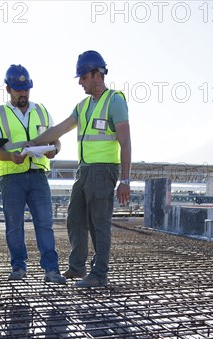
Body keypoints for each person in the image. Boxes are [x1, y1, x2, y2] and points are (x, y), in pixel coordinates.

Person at [28, 50, 131, 288]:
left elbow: (125, 141)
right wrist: (35, 142)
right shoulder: (83, 106)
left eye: (83, 77)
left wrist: (125, 180)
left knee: (99, 223)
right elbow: (61, 128)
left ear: (97, 74)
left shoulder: (114, 100)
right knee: (74, 219)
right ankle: (77, 267)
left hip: (104, 171)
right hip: (84, 171)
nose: (80, 82)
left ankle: (99, 274)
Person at [0, 64, 66, 284]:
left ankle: (52, 270)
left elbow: (56, 139)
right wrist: (12, 157)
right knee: (14, 225)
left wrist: (55, 150)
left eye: (26, 89)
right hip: (12, 178)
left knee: (45, 225)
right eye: (18, 89)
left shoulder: (41, 110)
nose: (23, 93)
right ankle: (18, 267)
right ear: (8, 89)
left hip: (38, 176)